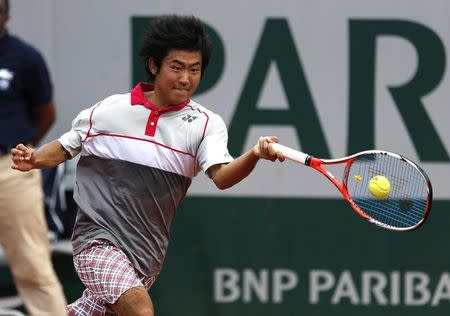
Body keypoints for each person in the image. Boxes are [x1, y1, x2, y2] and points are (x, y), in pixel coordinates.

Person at [11, 15, 285, 315]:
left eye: (194, 70)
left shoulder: (206, 125)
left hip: (146, 256)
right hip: (96, 242)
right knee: (140, 311)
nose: (185, 79)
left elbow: (221, 176)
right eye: (176, 67)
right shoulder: (109, 111)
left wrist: (255, 154)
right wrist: (35, 158)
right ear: (155, 66)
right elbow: (66, 147)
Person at [0, 0, 68, 315]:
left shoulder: (24, 58)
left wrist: (19, 150)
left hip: (10, 168)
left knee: (32, 262)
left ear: (6, 17)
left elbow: (46, 114)